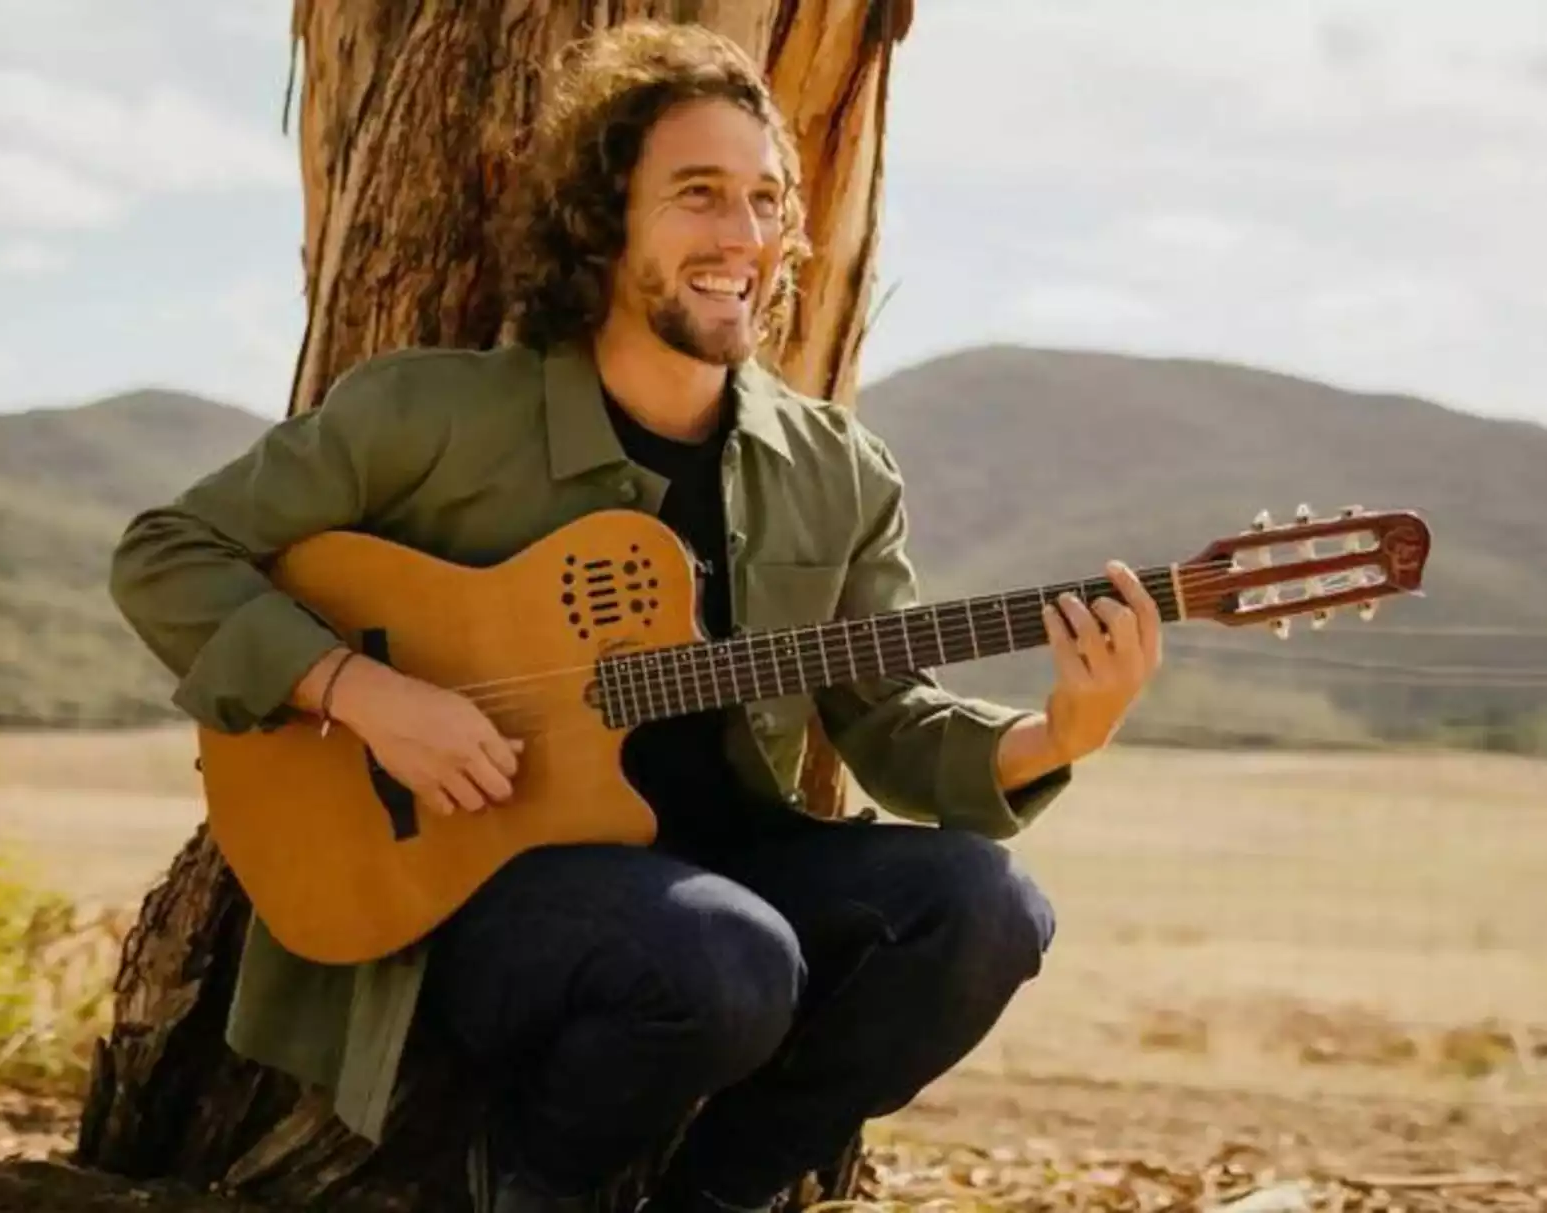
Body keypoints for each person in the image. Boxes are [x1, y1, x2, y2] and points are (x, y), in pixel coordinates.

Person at [109, 20, 1163, 1213]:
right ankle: (533, 1186)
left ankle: (722, 1193)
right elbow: (167, 552)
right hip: (483, 892)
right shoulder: (435, 418)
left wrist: (1064, 730)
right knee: (728, 954)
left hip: (729, 872)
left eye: (766, 200)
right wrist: (365, 693)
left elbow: (892, 720)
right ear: (605, 216)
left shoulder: (837, 468)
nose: (743, 237)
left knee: (988, 910)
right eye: (699, 195)